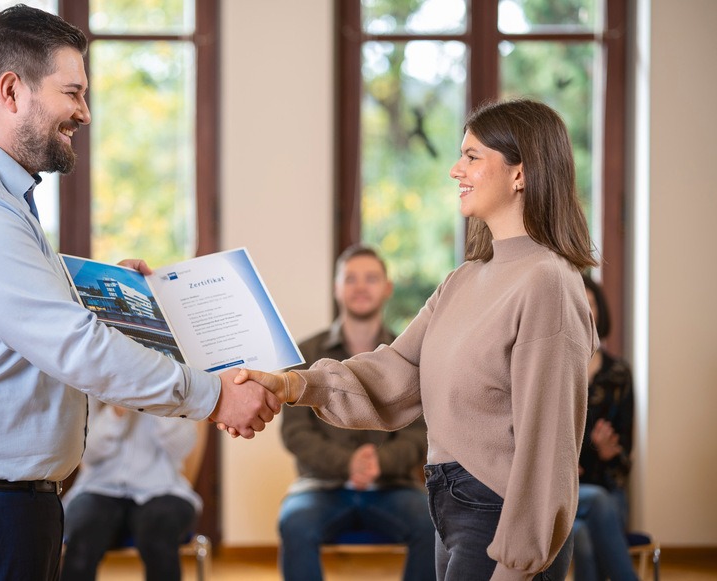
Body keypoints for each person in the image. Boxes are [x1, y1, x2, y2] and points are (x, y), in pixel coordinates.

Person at [0, 5, 278, 580]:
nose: (84, 113)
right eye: (73, 93)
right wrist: (214, 396)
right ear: (12, 90)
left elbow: (21, 306)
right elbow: (75, 346)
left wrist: (105, 290)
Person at [236, 98, 600, 580]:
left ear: (520, 173)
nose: (456, 169)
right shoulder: (463, 280)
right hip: (450, 508)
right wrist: (292, 386)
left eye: (473, 156)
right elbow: (395, 373)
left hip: (501, 519)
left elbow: (548, 447)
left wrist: (518, 563)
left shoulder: (548, 281)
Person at [278, 244, 436, 581]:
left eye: (371, 278)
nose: (361, 286)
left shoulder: (408, 355)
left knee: (433, 523)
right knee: (294, 521)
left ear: (387, 288)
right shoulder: (305, 352)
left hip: (395, 486)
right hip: (319, 487)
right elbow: (295, 433)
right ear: (336, 287)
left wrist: (381, 463)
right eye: (350, 279)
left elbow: (421, 430)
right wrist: (346, 463)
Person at [61, 399, 203, 581]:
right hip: (98, 488)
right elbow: (86, 453)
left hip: (162, 490)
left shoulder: (174, 388)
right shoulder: (91, 388)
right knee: (83, 529)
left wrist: (156, 404)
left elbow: (181, 449)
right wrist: (116, 413)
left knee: (159, 531)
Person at [572, 275, 638, 581]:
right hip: (563, 490)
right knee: (583, 532)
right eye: (577, 303)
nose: (585, 310)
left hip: (607, 490)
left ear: (600, 312)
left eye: (592, 303)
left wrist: (609, 452)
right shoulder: (555, 369)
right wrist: (588, 450)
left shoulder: (619, 373)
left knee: (594, 521)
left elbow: (624, 454)